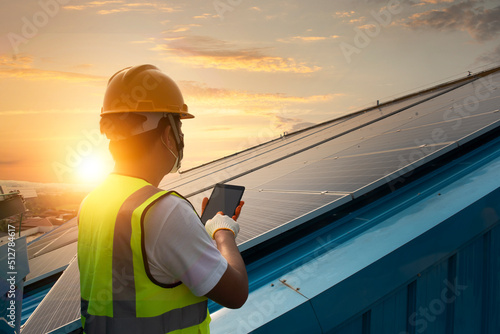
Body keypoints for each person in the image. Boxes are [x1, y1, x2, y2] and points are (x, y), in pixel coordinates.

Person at [77, 64, 248, 333]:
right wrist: (223, 233)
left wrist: (197, 236)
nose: (181, 136)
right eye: (178, 126)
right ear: (167, 134)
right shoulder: (164, 211)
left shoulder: (92, 202)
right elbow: (236, 293)